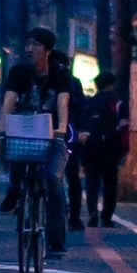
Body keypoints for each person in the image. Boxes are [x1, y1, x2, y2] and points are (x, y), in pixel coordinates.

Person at [0, 25, 71, 256]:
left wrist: (61, 127)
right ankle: (13, 188)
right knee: (17, 155)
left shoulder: (59, 74)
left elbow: (63, 101)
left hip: (52, 136)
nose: (30, 49)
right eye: (28, 44)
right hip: (25, 130)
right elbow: (9, 99)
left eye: (36, 44)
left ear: (48, 49)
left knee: (52, 179)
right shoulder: (18, 72)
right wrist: (3, 124)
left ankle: (55, 241)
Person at [79, 71, 129, 226]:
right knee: (110, 184)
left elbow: (82, 126)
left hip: (91, 148)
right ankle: (107, 216)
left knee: (91, 181)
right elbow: (123, 127)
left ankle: (93, 212)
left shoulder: (88, 103)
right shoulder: (118, 104)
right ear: (111, 85)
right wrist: (124, 149)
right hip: (110, 148)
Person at [50, 51, 86, 235]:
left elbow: (80, 106)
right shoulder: (71, 81)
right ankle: (73, 216)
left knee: (70, 173)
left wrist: (81, 129)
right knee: (70, 175)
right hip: (67, 132)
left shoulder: (72, 82)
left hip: (66, 133)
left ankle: (73, 215)